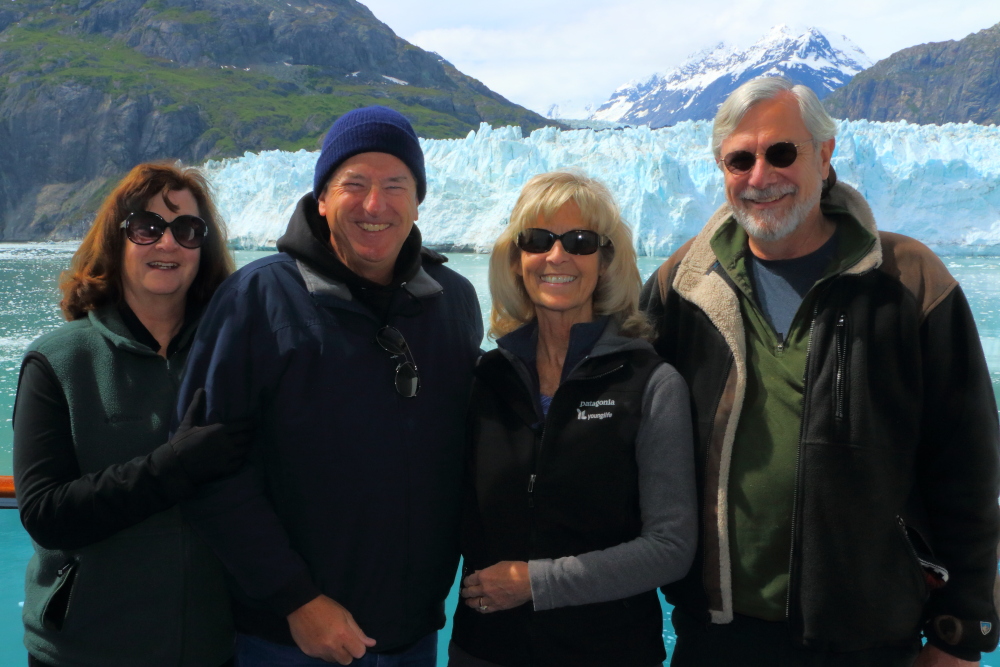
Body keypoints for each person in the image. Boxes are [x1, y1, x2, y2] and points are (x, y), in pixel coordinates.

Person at [640, 75, 1000, 666]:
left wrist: (961, 625)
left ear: (825, 156)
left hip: (867, 632)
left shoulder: (908, 280)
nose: (761, 177)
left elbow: (968, 460)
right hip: (718, 631)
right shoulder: (684, 283)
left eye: (782, 152)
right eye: (740, 159)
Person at [175, 105, 484, 666]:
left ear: (418, 200)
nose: (375, 205)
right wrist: (296, 600)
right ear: (321, 198)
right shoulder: (257, 299)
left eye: (395, 185)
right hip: (289, 638)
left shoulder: (452, 301)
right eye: (354, 184)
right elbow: (206, 467)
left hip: (413, 632)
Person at [449, 171, 698, 667]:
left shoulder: (649, 383)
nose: (557, 257)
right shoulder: (486, 379)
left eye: (581, 241)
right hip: (485, 650)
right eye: (537, 240)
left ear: (605, 262)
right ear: (517, 260)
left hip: (608, 651)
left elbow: (671, 547)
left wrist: (535, 583)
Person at [12, 162, 249, 667]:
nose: (167, 244)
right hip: (83, 651)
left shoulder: (235, 358)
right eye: (146, 227)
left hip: (217, 648)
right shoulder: (58, 361)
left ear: (202, 249)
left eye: (187, 229)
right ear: (116, 241)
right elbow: (45, 514)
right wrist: (175, 467)